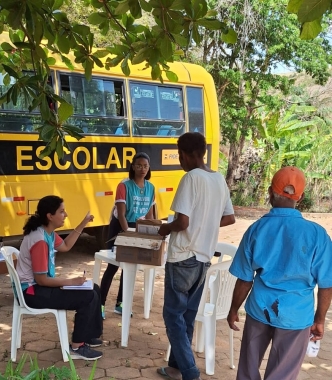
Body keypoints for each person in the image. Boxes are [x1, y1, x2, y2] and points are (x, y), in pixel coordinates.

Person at [227, 166, 332, 380]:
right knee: (282, 375)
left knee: (247, 369)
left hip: (260, 310)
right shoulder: (317, 235)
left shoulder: (257, 229)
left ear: (269, 192)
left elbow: (245, 279)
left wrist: (233, 309)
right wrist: (319, 319)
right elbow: (326, 284)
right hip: (296, 315)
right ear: (300, 197)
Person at [156, 132, 235, 380]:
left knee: (172, 315)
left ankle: (190, 373)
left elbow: (182, 222)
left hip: (183, 256)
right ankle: (175, 367)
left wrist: (165, 228)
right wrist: (206, 223)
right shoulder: (219, 179)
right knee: (187, 316)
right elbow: (229, 217)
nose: (180, 161)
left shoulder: (191, 178)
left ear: (189, 155)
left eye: (180, 155)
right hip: (203, 259)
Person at [16, 195, 103, 360]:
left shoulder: (47, 232)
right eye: (62, 212)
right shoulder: (40, 240)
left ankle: (88, 335)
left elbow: (66, 246)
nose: (66, 215)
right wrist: (71, 282)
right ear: (50, 216)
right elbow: (41, 280)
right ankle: (78, 346)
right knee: (88, 296)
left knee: (94, 288)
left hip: (40, 288)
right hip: (32, 293)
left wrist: (83, 223)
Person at [100, 152, 155, 319]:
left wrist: (151, 235)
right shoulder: (124, 186)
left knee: (130, 267)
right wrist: (128, 234)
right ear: (133, 166)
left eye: (145, 166)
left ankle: (120, 304)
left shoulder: (150, 187)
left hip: (136, 228)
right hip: (120, 227)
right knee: (114, 265)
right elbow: (122, 215)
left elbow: (150, 217)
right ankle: (100, 304)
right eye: (138, 165)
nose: (142, 169)